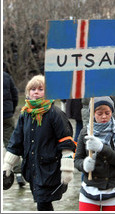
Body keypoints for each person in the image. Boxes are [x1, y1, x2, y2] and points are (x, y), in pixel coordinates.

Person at [3, 75, 76, 211]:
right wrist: (8, 164)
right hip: (32, 168)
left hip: (49, 168)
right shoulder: (25, 114)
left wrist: (67, 169)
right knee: (42, 203)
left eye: (40, 89)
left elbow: (66, 141)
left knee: (43, 203)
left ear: (47, 92)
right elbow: (16, 141)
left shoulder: (55, 113)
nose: (36, 92)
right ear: (28, 92)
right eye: (33, 89)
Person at [74, 96, 115, 211]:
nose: (104, 116)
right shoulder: (85, 132)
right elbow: (77, 159)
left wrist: (101, 148)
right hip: (90, 190)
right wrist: (84, 165)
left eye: (107, 112)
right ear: (93, 114)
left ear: (112, 112)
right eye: (99, 113)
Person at [3, 70, 25, 187]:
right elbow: (14, 94)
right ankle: (18, 173)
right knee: (10, 144)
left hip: (7, 113)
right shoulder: (6, 76)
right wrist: (11, 110)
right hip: (6, 114)